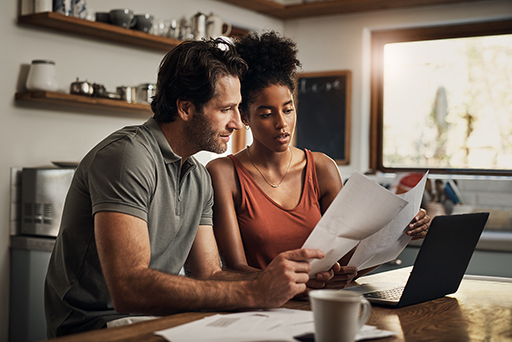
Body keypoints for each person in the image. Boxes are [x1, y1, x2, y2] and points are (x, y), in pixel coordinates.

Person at [44, 38, 331, 338]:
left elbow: (210, 274)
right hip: (94, 327)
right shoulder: (128, 157)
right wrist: (253, 293)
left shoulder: (197, 176)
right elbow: (128, 288)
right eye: (226, 109)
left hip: (154, 320)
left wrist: (282, 282)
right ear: (185, 108)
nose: (237, 123)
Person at [206, 31, 431, 291]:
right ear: (244, 116)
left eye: (288, 109)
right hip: (261, 309)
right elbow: (235, 269)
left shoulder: (321, 168)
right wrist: (302, 283)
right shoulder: (224, 173)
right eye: (267, 114)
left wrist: (402, 232)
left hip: (322, 304)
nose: (282, 124)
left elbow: (348, 260)